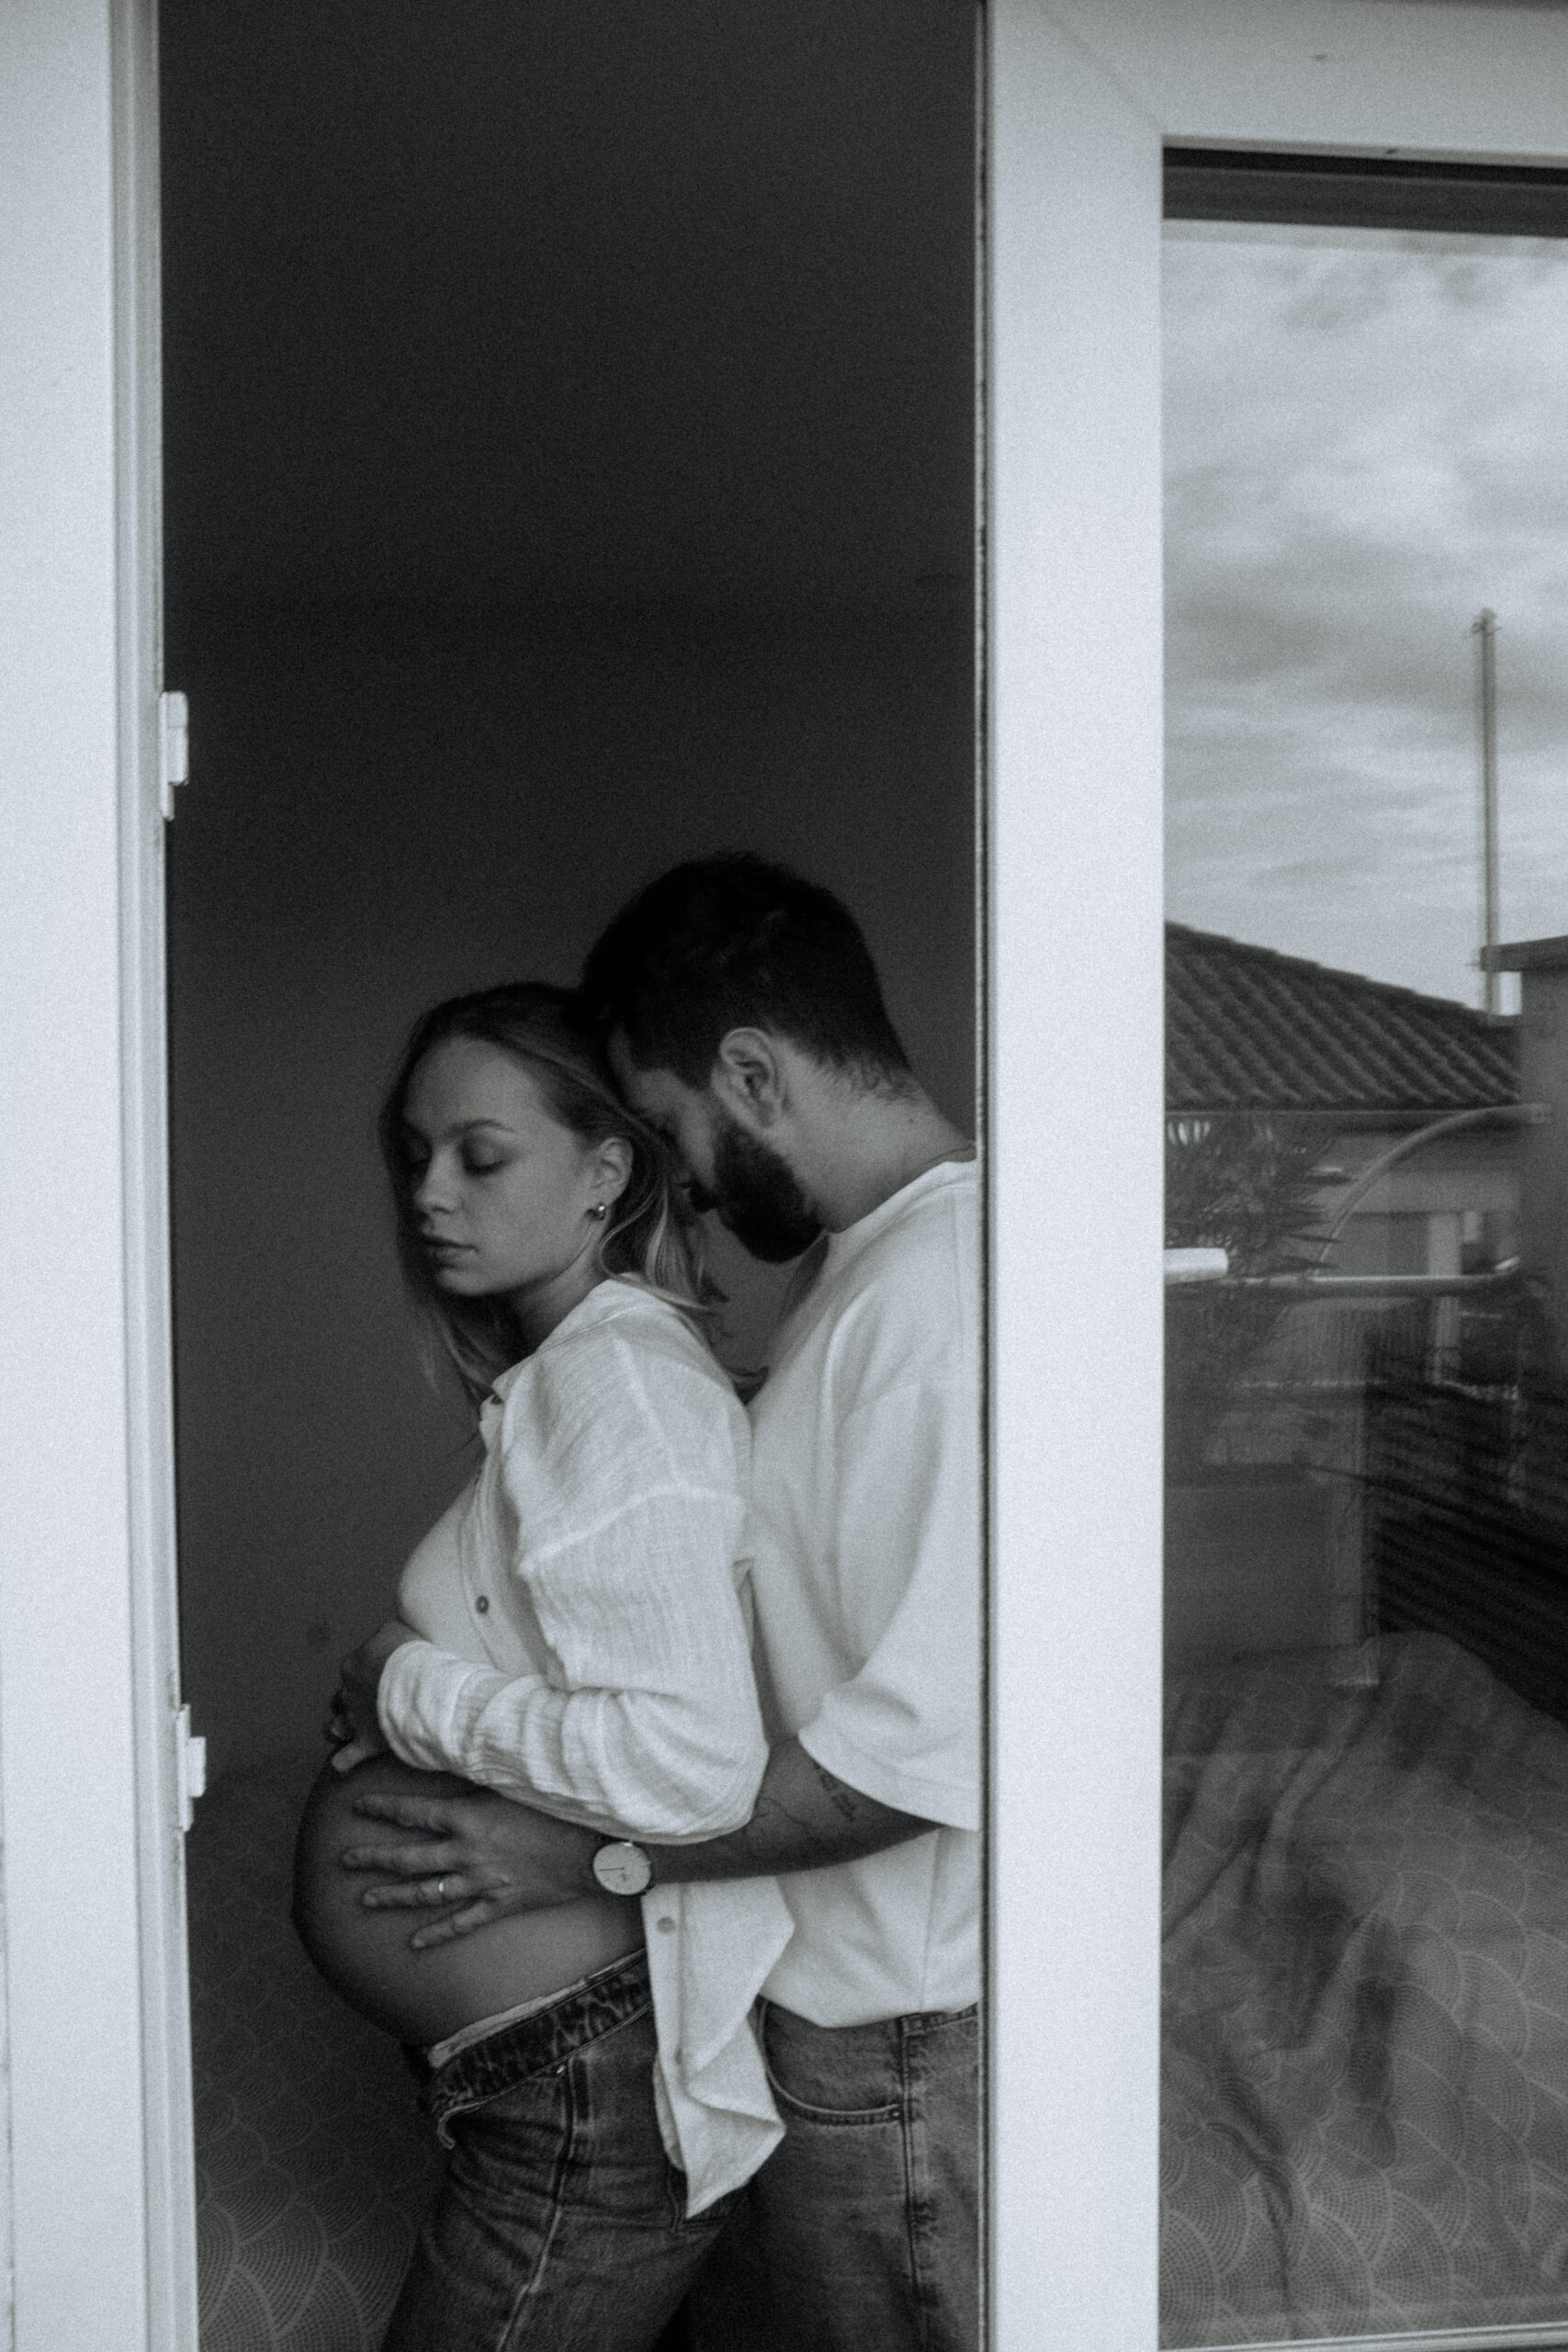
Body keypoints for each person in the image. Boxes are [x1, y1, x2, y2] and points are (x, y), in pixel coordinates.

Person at [342, 862, 981, 2352]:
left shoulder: (940, 1308)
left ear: (751, 1074)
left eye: (671, 1124)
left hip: (887, 2035)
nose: (678, 1180)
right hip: (823, 2009)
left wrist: (579, 1851)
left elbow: (915, 1761)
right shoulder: (864, 1278)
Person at [293, 980, 793, 2352]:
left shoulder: (617, 1382)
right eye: (416, 1156)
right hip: (548, 2070)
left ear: (605, 1172)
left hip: (582, 2090)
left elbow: (689, 1763)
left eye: (482, 1156)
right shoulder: (578, 1373)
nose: (430, 1194)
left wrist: (406, 1693)